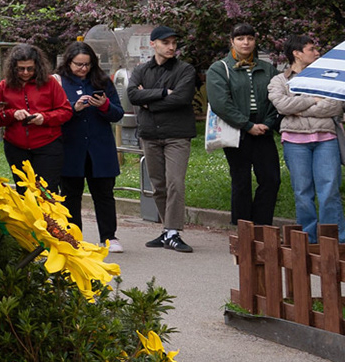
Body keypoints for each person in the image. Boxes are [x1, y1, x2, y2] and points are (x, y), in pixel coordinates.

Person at [126, 25, 197, 253]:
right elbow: (132, 95)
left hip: (177, 134)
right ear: (153, 44)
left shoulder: (185, 70)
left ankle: (173, 232)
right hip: (150, 134)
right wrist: (164, 93)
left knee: (175, 183)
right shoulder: (141, 70)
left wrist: (148, 102)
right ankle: (167, 230)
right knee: (158, 186)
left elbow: (182, 98)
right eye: (166, 43)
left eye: (174, 43)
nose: (171, 47)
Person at [271, 32, 344, 240]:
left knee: (329, 191)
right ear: (297, 53)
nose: (317, 53)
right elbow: (282, 105)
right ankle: (308, 240)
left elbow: (335, 106)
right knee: (302, 193)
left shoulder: (328, 77)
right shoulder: (280, 80)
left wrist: (298, 109)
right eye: (311, 49)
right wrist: (314, 100)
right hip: (294, 141)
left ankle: (335, 239)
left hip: (326, 139)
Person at [207, 22, 281, 228]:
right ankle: (243, 228)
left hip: (263, 129)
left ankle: (261, 226)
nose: (245, 42)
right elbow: (220, 103)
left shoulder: (267, 69)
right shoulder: (219, 69)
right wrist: (247, 125)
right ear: (232, 41)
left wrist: (268, 123)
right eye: (240, 39)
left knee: (271, 179)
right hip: (236, 130)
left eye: (250, 38)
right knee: (241, 181)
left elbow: (278, 99)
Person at [57, 42, 125, 251]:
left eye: (87, 64)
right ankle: (73, 236)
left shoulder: (102, 81)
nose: (83, 69)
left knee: (104, 193)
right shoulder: (58, 82)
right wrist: (74, 108)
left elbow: (118, 113)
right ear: (68, 62)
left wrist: (104, 105)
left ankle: (109, 237)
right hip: (71, 146)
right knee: (70, 194)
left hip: (100, 147)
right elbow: (54, 114)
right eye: (78, 64)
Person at [0, 43, 71, 185]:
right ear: (13, 68)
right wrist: (12, 114)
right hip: (15, 147)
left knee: (47, 190)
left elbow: (66, 111)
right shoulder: (4, 86)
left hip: (48, 145)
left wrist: (44, 118)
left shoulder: (50, 83)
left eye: (30, 68)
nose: (25, 72)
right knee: (24, 190)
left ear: (37, 66)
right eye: (20, 69)